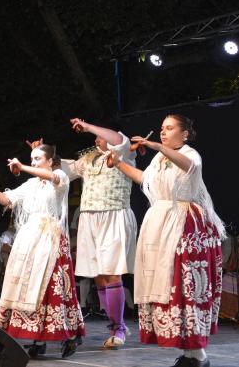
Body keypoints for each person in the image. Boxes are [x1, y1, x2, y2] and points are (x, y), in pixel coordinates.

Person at [111, 114, 225, 367]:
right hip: (160, 223)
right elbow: (145, 180)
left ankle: (197, 354)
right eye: (162, 129)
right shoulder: (160, 158)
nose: (163, 133)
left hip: (184, 223)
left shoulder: (190, 153)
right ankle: (192, 355)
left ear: (184, 134)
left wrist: (156, 146)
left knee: (183, 286)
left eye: (169, 128)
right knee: (165, 285)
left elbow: (190, 167)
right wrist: (118, 163)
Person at [0, 144, 85, 359]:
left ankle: (69, 334)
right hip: (29, 238)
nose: (34, 163)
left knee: (49, 287)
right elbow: (6, 200)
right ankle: (38, 338)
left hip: (50, 239)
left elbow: (52, 178)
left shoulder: (60, 177)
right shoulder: (31, 184)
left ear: (50, 161)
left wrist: (22, 166)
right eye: (32, 159)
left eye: (38, 158)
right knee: (24, 286)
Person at [60, 118, 138, 349]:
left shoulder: (123, 152)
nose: (97, 140)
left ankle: (119, 328)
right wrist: (40, 156)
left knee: (111, 273)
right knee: (98, 275)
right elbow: (65, 172)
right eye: (96, 137)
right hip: (89, 218)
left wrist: (88, 126)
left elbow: (115, 138)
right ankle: (114, 323)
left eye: (100, 136)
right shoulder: (88, 159)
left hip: (113, 215)